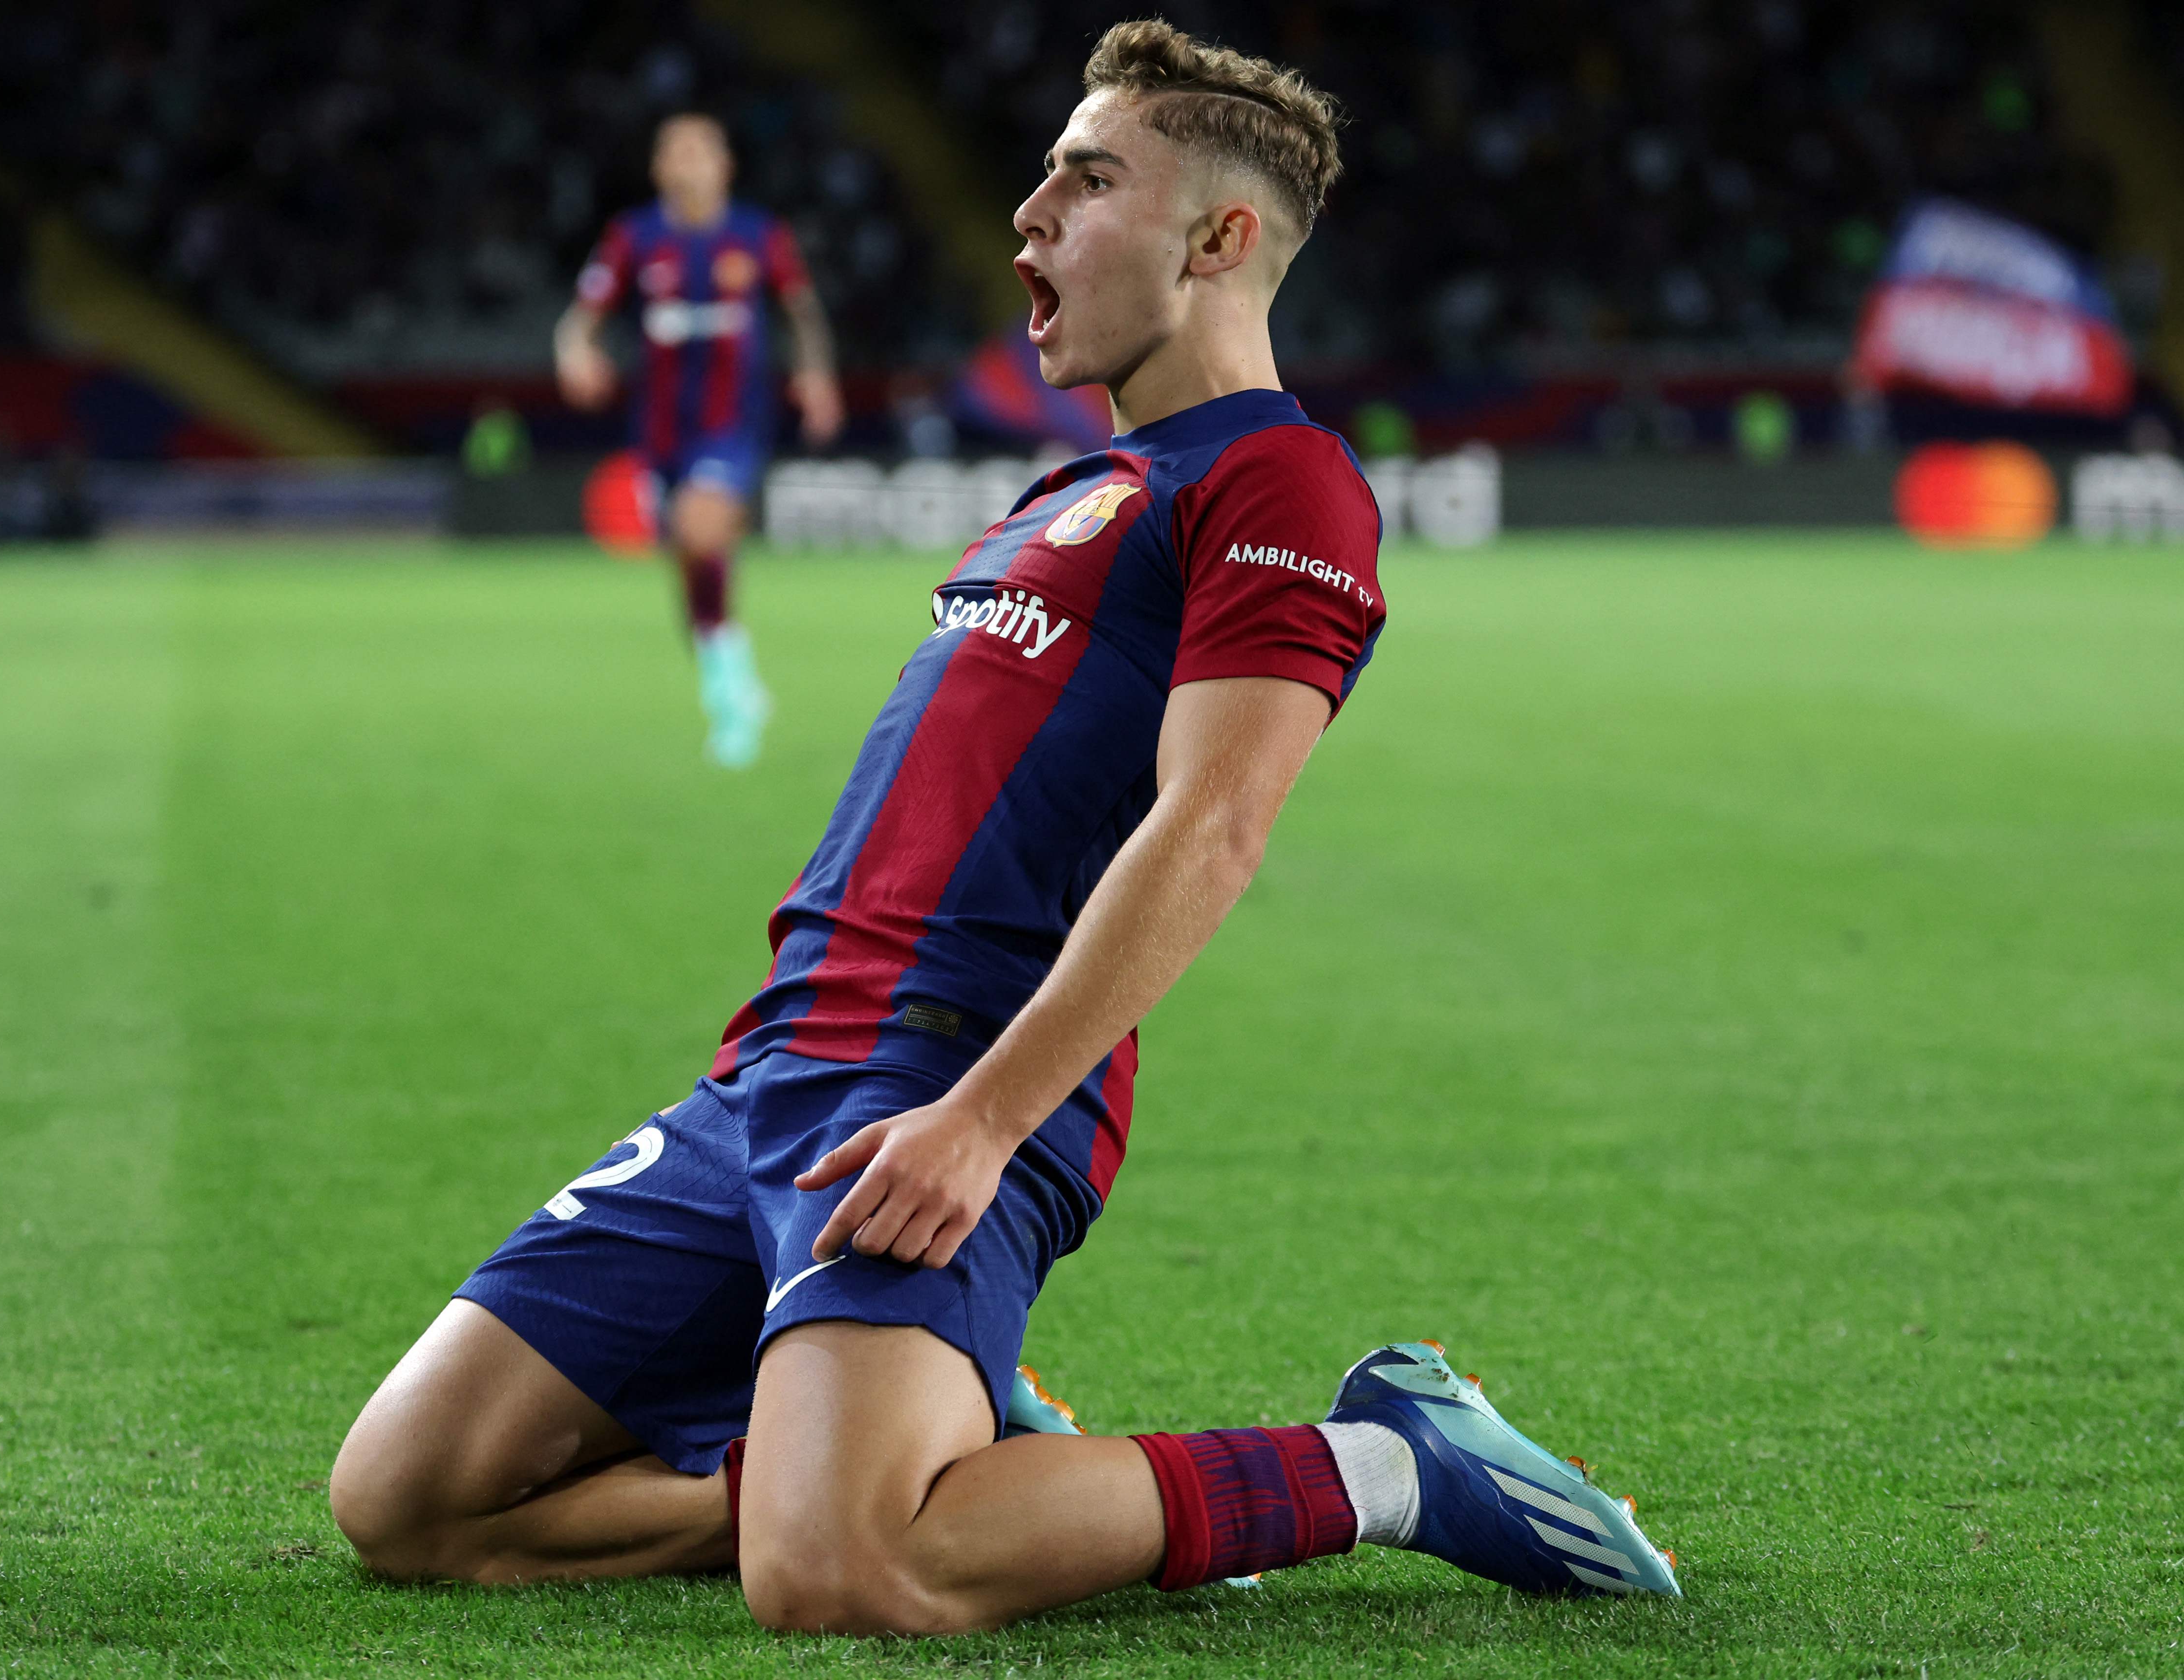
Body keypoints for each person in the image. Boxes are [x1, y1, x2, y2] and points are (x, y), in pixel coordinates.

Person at [333, 21, 1679, 1633]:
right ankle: (903, 1448)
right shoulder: (1065, 486)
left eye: (1084, 177)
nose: (1027, 214)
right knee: (409, 1496)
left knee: (840, 1568)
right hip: (768, 1070)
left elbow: (1214, 820)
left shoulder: (1279, 483)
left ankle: (1378, 1460)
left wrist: (977, 1118)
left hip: (950, 1065)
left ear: (1216, 238)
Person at [554, 112, 845, 769]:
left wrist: (816, 376)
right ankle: (733, 679)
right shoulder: (634, 238)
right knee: (694, 568)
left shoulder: (758, 236)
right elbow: (581, 318)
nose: (689, 164)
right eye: (676, 153)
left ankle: (731, 704)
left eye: (701, 152)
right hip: (659, 434)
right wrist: (575, 354)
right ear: (659, 168)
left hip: (733, 425)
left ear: (724, 165)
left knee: (699, 528)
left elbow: (801, 312)